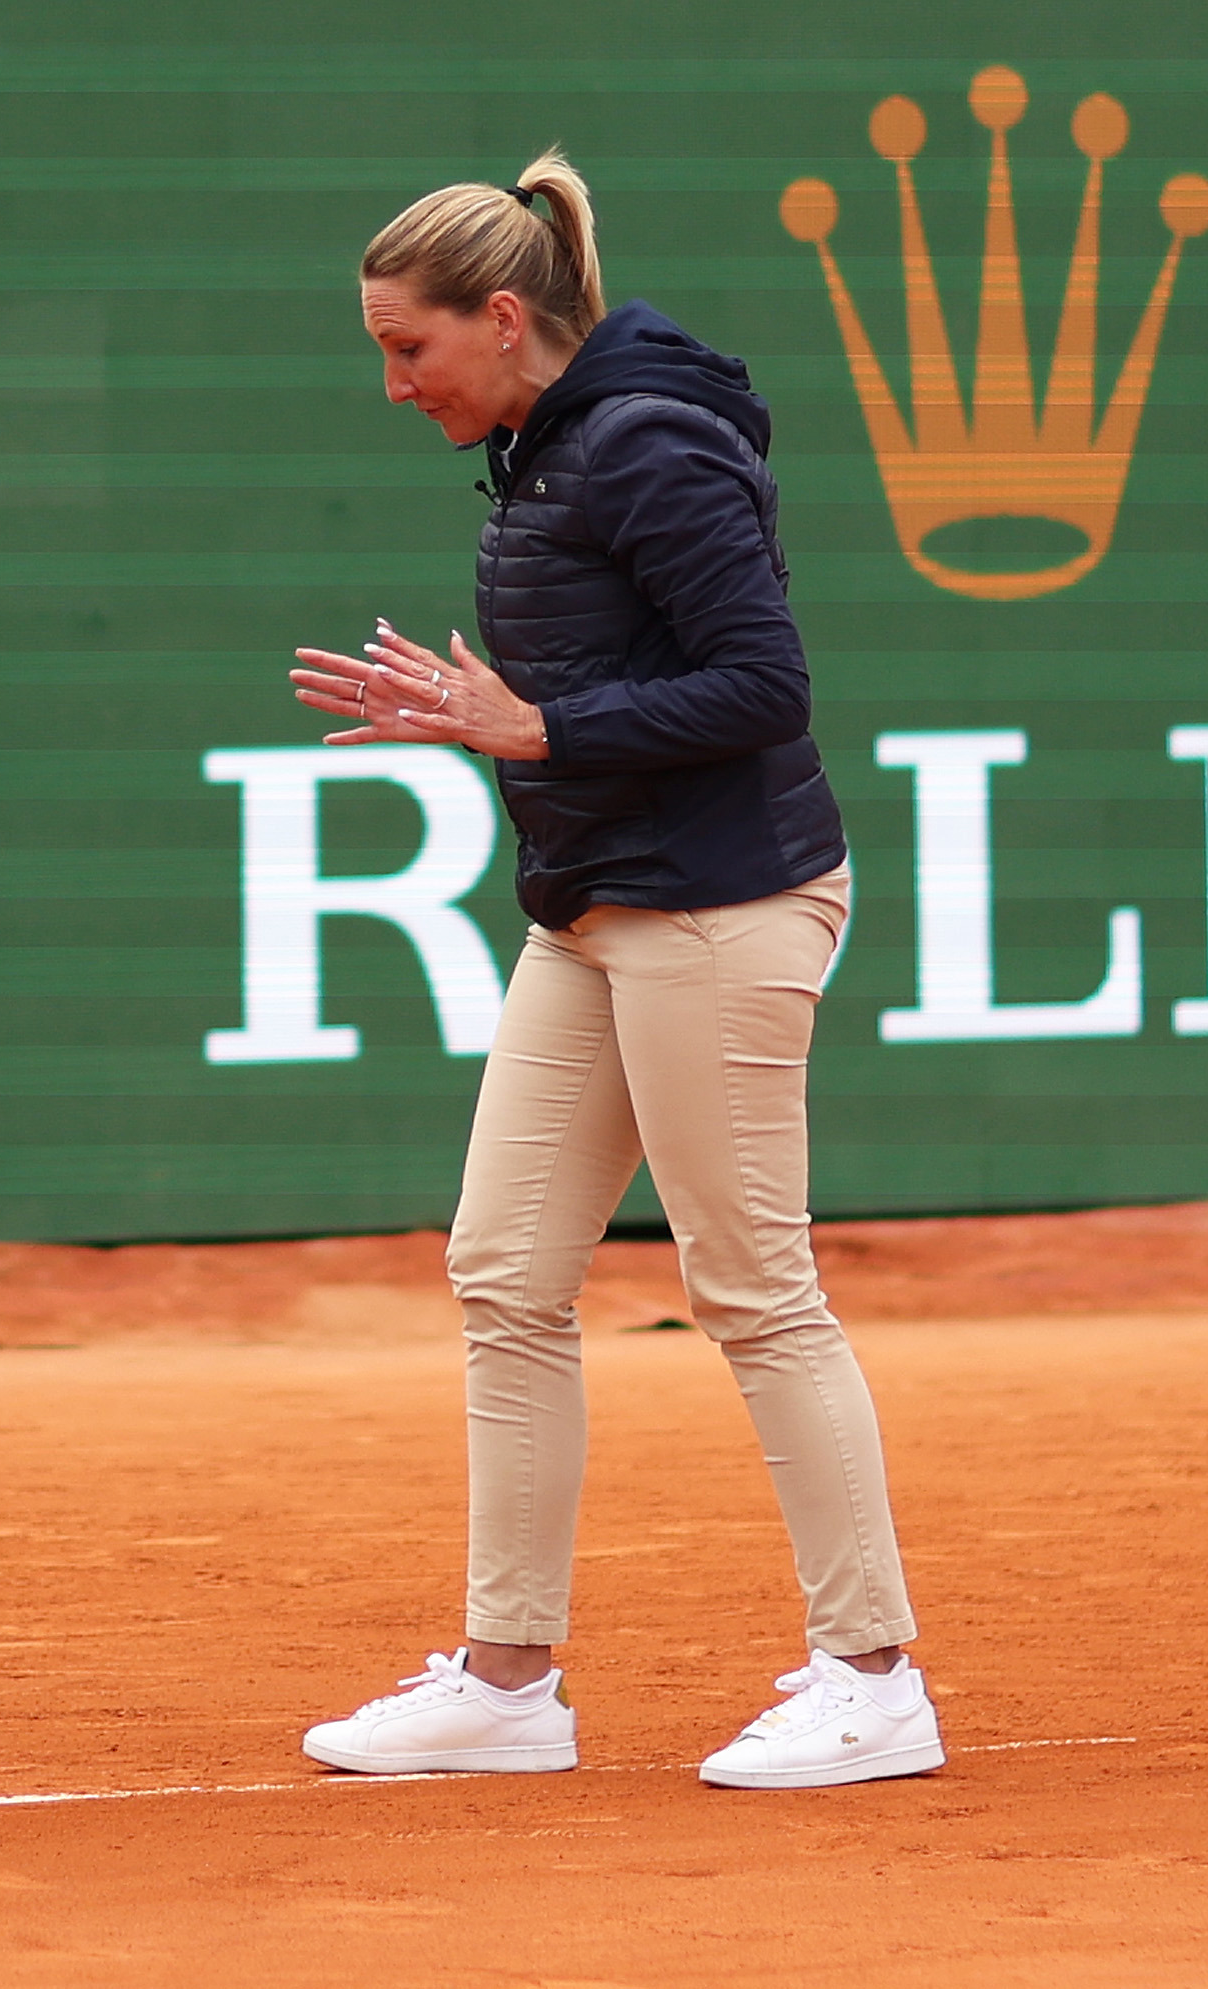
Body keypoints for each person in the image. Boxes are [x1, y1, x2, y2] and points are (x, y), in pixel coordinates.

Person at [284, 152, 940, 1789]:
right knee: (506, 1269)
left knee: (752, 1286)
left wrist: (536, 724)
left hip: (724, 904)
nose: (391, 383)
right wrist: (513, 731)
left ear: (503, 319)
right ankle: (508, 1680)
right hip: (596, 908)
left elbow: (763, 683)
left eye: (410, 348)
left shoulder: (644, 443)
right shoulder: (540, 443)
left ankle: (874, 1674)